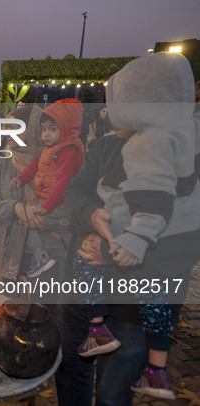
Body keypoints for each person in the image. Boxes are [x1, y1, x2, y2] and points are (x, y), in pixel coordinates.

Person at [57, 52, 200, 404]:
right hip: (80, 292)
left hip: (134, 309)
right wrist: (91, 214)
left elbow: (186, 243)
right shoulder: (105, 146)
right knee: (72, 372)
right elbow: (74, 193)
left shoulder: (187, 159)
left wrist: (113, 254)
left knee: (112, 393)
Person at [0, 103, 67, 301]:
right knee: (6, 318)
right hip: (6, 255)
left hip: (48, 258)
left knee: (43, 317)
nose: (7, 133)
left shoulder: (60, 163)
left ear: (34, 129)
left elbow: (72, 209)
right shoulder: (4, 164)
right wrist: (15, 208)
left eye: (15, 127)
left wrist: (39, 218)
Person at [9, 99, 85, 278]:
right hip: (52, 203)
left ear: (65, 128)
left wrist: (46, 206)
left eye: (52, 129)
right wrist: (21, 179)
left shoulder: (67, 151)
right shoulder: (50, 149)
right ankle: (75, 263)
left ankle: (39, 257)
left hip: (60, 205)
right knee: (69, 238)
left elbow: (64, 183)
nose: (46, 134)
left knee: (28, 221)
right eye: (43, 129)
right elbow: (36, 165)